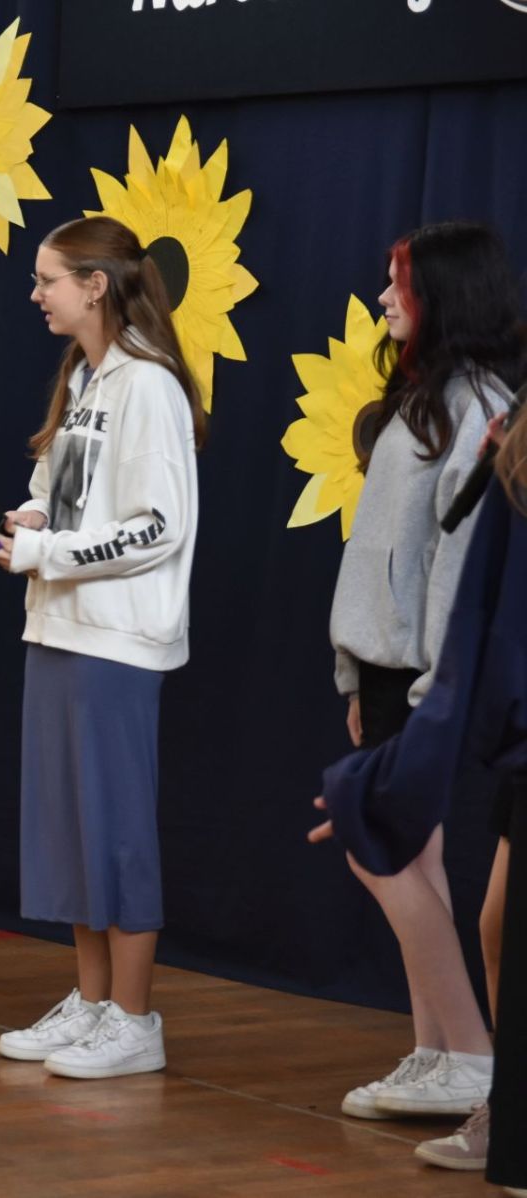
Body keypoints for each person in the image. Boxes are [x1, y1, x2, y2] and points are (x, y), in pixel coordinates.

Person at [0, 215, 204, 1079]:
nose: (36, 295)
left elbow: (157, 526)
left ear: (95, 285)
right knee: (70, 827)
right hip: (57, 627)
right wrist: (27, 523)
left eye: (49, 280)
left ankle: (136, 1020)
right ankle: (93, 1000)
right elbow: (60, 493)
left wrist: (48, 552)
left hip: (118, 641)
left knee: (116, 831)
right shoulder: (85, 377)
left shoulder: (149, 386)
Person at [318, 223, 521, 1134]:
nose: (382, 298)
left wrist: (435, 685)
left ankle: (470, 1053)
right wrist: (353, 672)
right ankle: (436, 1051)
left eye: (397, 282)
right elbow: (381, 552)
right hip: (384, 663)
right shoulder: (423, 395)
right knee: (414, 858)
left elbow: (458, 561)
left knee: (382, 849)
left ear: (444, 292)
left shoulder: (479, 405)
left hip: (422, 672)